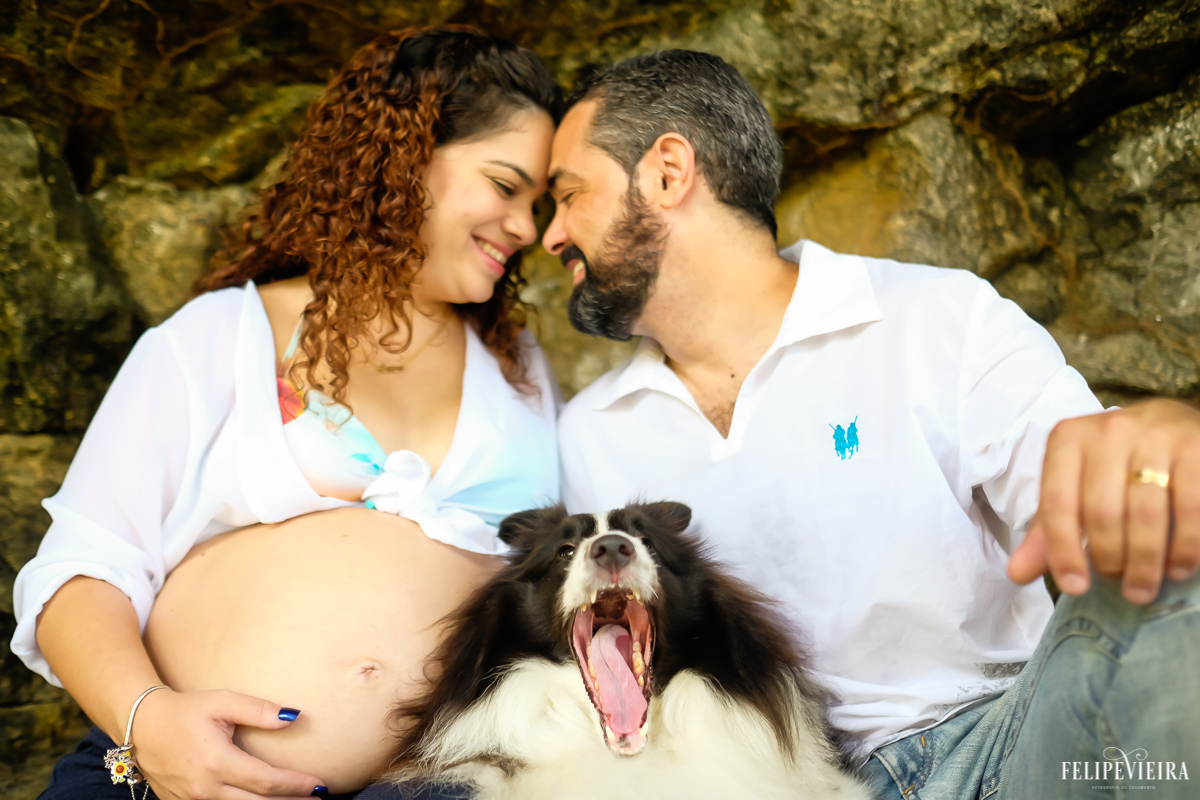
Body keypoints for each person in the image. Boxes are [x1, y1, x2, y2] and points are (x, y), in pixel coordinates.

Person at [547, 51, 1200, 799]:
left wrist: (1160, 455)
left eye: (569, 195)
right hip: (767, 780)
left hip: (1004, 744)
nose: (552, 235)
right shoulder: (587, 435)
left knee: (1182, 548)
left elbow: (1100, 488)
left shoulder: (937, 318)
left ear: (668, 171)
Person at [12, 26, 561, 800]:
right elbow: (81, 571)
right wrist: (151, 724)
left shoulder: (521, 371)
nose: (527, 228)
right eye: (506, 187)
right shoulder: (217, 337)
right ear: (405, 159)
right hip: (168, 781)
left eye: (539, 203)